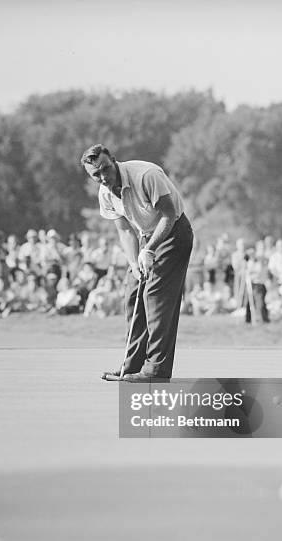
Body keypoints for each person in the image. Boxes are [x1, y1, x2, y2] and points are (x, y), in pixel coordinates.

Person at [81, 143, 193, 382]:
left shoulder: (145, 175)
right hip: (145, 237)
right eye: (96, 175)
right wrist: (134, 262)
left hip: (173, 233)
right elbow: (124, 230)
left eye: (105, 169)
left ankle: (156, 371)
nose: (103, 177)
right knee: (133, 293)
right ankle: (131, 367)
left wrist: (150, 249)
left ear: (113, 160)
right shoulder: (105, 193)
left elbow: (169, 214)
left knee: (154, 296)